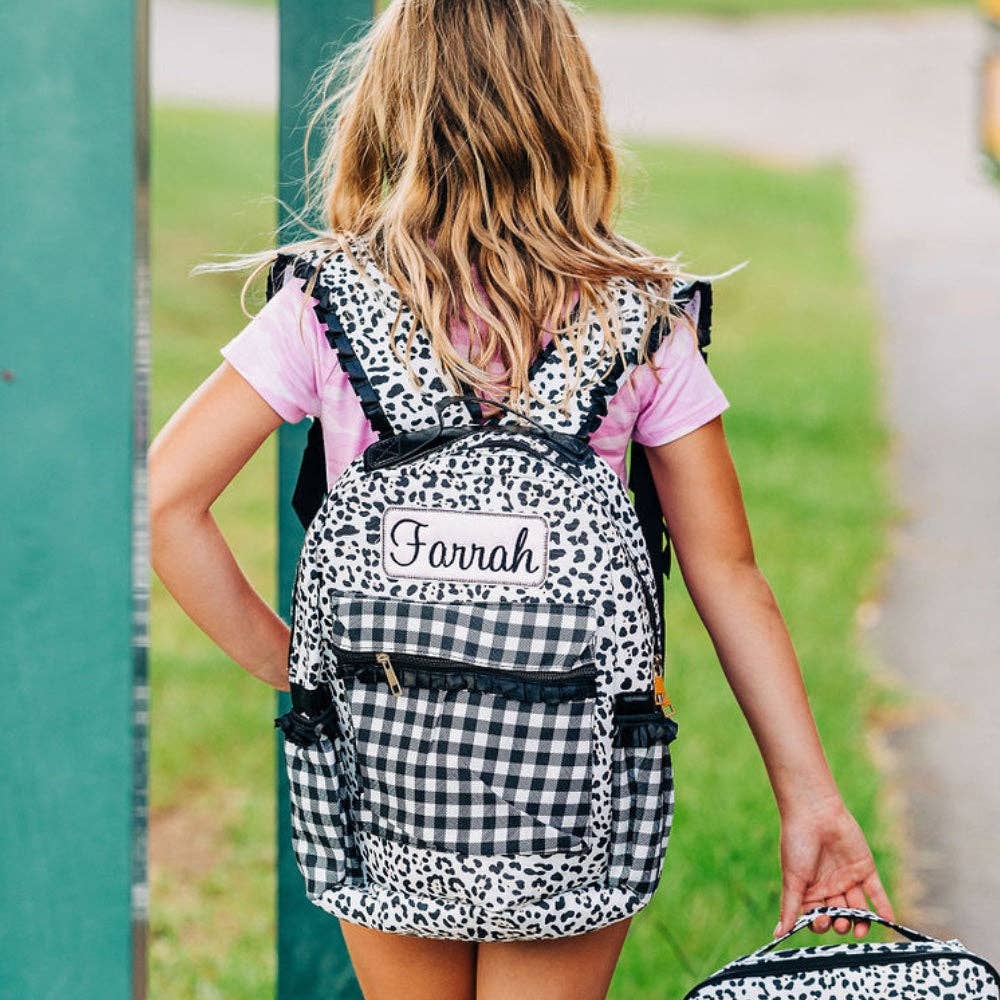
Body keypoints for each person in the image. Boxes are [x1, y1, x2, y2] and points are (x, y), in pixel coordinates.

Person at [148, 1, 894, 997]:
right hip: (572, 782)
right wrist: (810, 799)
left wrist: (299, 670)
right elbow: (728, 573)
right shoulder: (639, 319)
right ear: (568, 110)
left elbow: (166, 502)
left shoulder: (326, 306)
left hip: (388, 768)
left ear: (389, 107)